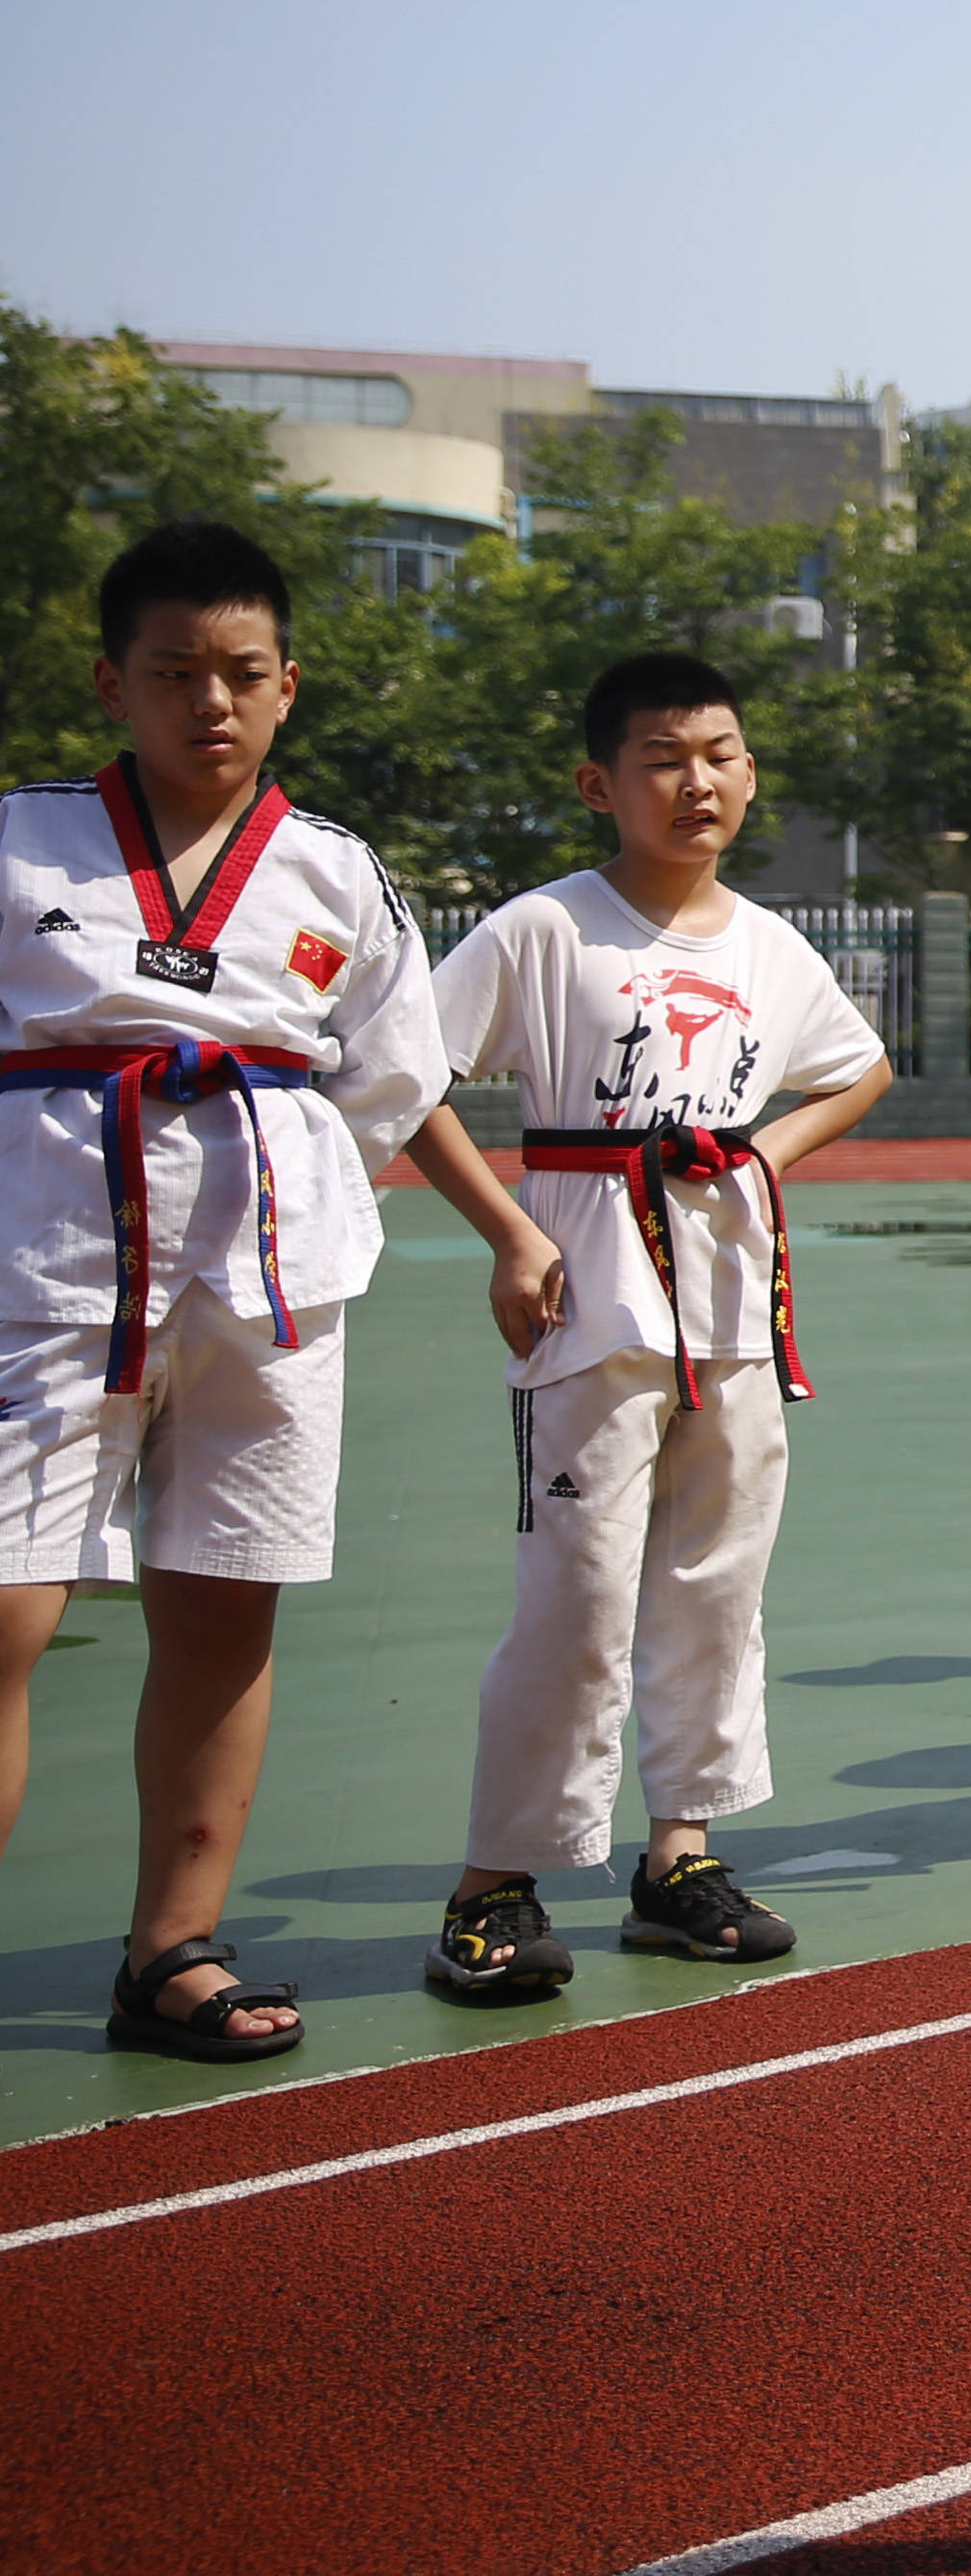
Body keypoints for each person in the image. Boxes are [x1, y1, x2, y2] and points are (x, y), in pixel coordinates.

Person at [0, 519, 449, 2060]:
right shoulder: (21, 841)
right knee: (3, 1608)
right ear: (112, 681)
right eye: (175, 670)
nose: (211, 700)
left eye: (242, 673)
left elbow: (391, 1082)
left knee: (222, 1600)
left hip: (262, 1275)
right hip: (46, 1264)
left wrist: (278, 1181)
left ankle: (168, 1949)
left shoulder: (335, 872)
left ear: (287, 686)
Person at [400, 651, 895, 1990]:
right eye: (666, 757)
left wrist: (763, 1156)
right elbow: (407, 1076)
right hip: (590, 1298)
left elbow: (859, 1066)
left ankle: (679, 1853)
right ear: (599, 780)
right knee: (575, 1593)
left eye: (722, 752)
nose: (699, 781)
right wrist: (510, 1228)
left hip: (731, 1301)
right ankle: (494, 1882)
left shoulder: (769, 944)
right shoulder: (546, 929)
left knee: (718, 1583)